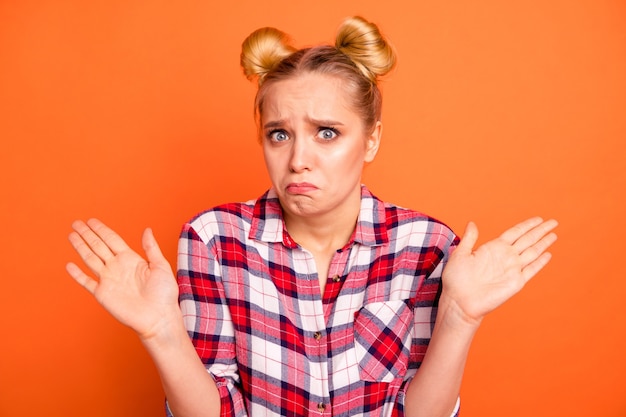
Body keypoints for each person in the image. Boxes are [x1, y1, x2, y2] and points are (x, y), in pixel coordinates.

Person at [66, 16, 558, 417]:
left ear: (371, 139)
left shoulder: (426, 245)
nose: (298, 158)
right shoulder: (213, 239)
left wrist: (459, 317)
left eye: (326, 132)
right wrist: (163, 334)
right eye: (279, 134)